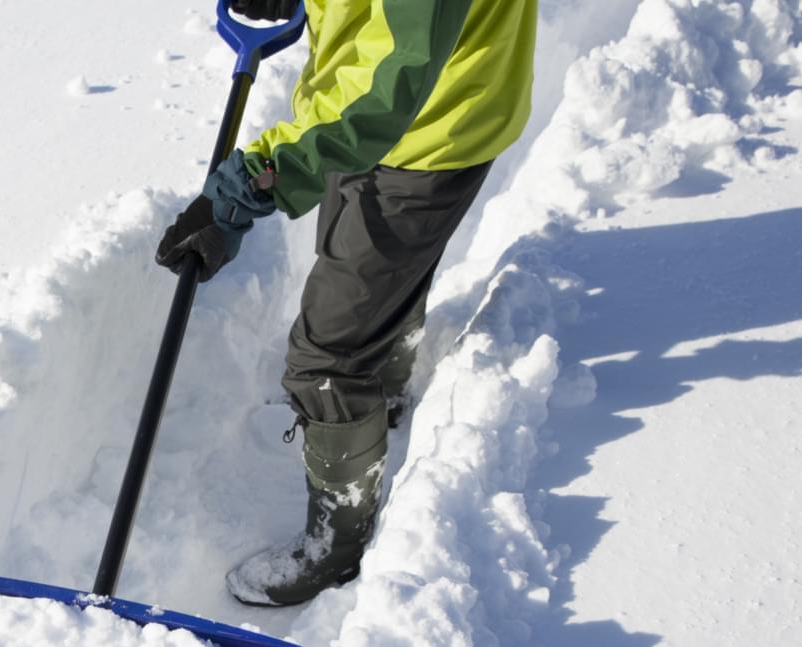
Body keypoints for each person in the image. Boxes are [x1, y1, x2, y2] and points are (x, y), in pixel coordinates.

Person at [157, 0, 538, 607]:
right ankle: (381, 394)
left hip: (421, 127)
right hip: (372, 115)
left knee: (327, 357)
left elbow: (396, 82)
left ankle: (335, 548)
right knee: (374, 279)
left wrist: (257, 179)